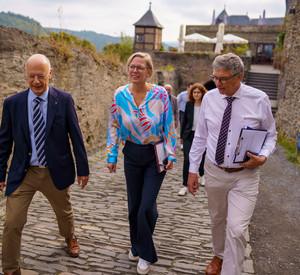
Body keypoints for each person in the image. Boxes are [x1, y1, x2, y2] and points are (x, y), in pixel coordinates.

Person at [187, 53, 276, 275]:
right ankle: (218, 255)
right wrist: (192, 170)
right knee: (217, 219)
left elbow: (271, 136)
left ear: (239, 76)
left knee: (236, 230)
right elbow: (201, 136)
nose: (217, 84)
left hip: (245, 175)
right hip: (214, 171)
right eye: (215, 78)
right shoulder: (209, 98)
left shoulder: (259, 99)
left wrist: (263, 157)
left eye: (223, 79)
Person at [0, 54, 90, 275]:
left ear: (50, 74)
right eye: (32, 76)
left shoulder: (64, 99)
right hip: (24, 172)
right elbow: (4, 141)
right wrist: (0, 172)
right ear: (26, 75)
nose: (36, 81)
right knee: (12, 222)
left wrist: (83, 168)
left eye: (41, 76)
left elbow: (76, 136)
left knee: (64, 212)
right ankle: (11, 269)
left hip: (55, 170)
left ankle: (70, 237)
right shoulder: (13, 104)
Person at [106, 52, 176, 275]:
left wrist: (171, 153)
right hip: (132, 154)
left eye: (140, 67)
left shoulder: (160, 95)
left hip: (156, 154)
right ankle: (136, 244)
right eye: (132, 66)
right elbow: (113, 125)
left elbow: (169, 125)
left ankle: (144, 254)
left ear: (149, 71)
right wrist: (111, 155)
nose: (135, 70)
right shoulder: (120, 95)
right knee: (135, 207)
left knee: (146, 207)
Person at [178, 83, 207, 196]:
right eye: (194, 92)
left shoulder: (206, 105)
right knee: (187, 159)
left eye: (198, 92)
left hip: (202, 136)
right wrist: (181, 137)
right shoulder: (189, 105)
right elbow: (184, 122)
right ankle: (185, 185)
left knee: (202, 157)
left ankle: (202, 175)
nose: (196, 94)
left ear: (202, 93)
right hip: (189, 135)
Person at [177, 82, 193, 150]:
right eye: (190, 88)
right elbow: (177, 102)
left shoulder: (194, 94)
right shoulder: (182, 94)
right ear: (187, 87)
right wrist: (179, 110)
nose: (191, 89)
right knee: (183, 126)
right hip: (183, 112)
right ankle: (182, 143)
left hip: (191, 113)